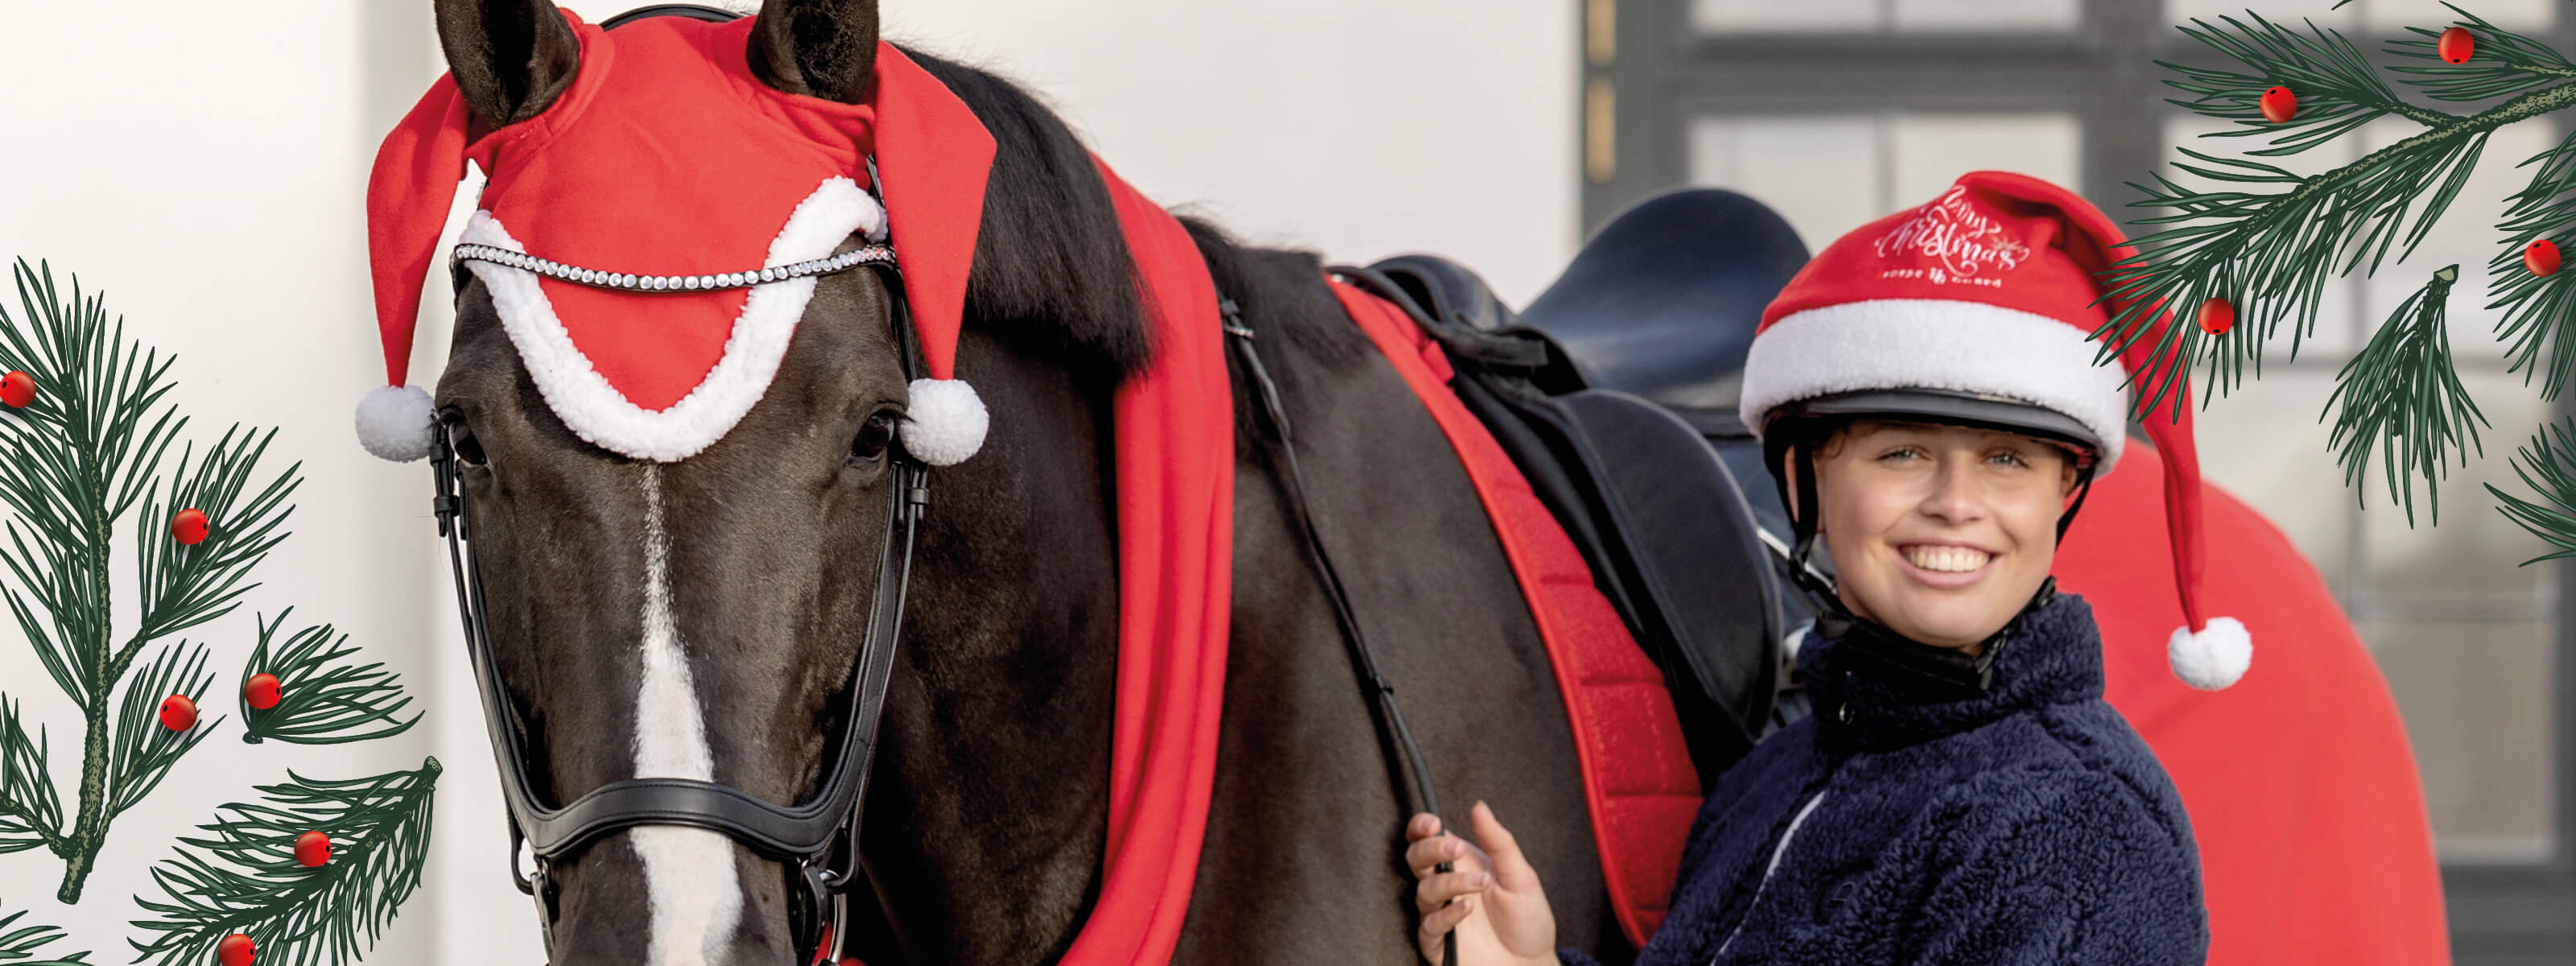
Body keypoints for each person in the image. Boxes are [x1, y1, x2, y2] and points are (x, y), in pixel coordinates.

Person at [1406, 171, 2232, 965]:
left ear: (2063, 490)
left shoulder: (2073, 826)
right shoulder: (1769, 778)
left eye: (2005, 461)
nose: (1954, 501)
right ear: (1806, 481)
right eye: (1901, 453)